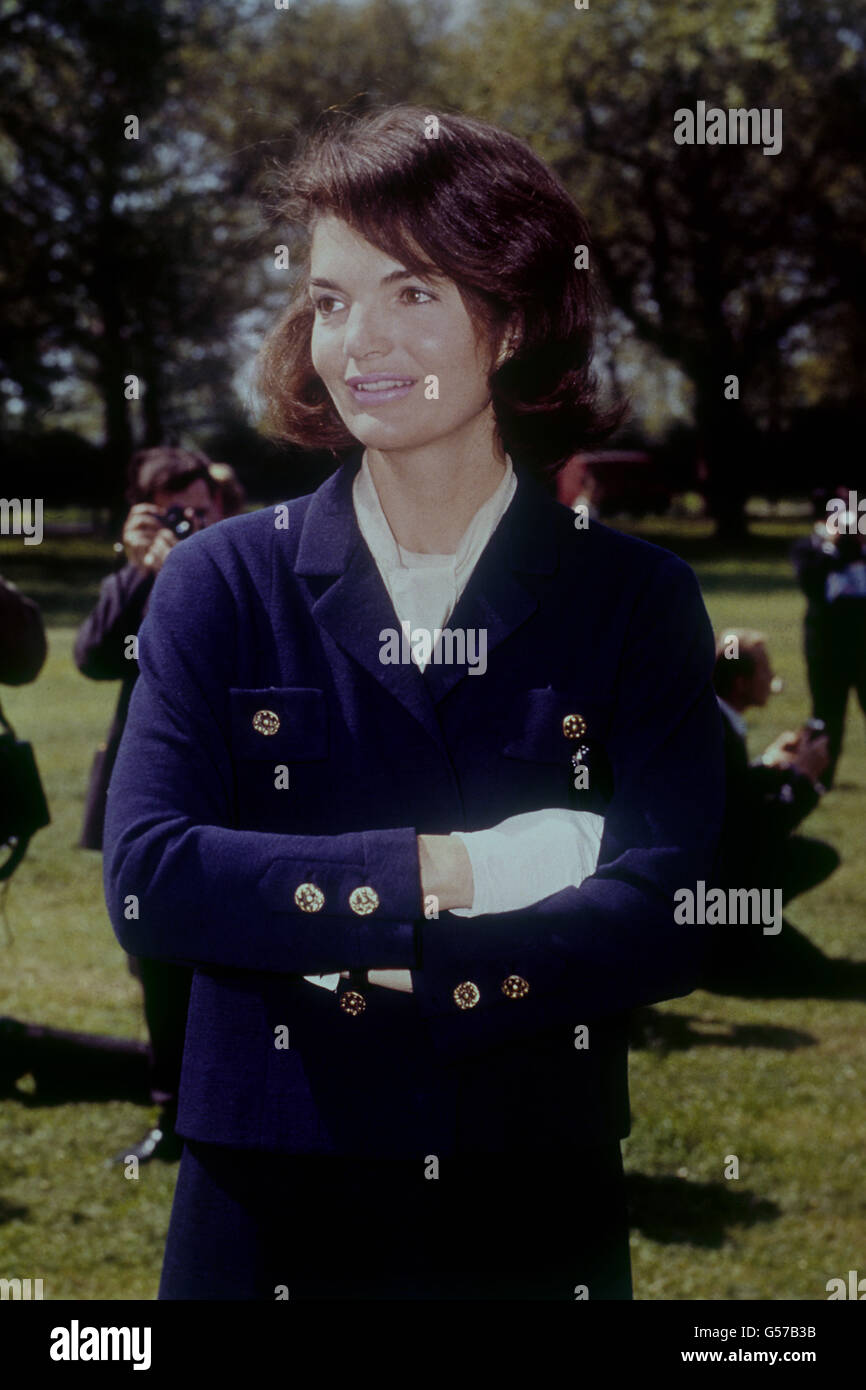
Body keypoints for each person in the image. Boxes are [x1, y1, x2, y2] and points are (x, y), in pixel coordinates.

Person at [103, 105, 725, 1301]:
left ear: (512, 319)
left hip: (529, 1188)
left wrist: (404, 965)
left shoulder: (634, 597)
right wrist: (450, 872)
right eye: (331, 301)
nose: (358, 342)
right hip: (262, 1190)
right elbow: (149, 878)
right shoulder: (220, 583)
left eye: (413, 293)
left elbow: (673, 908)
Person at [76, 447, 222, 1163]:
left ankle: (232, 1110)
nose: (189, 522)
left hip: (229, 799)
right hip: (148, 794)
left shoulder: (243, 567)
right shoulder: (136, 575)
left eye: (200, 508)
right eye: (173, 512)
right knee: (154, 965)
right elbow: (95, 656)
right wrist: (139, 571)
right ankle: (172, 1116)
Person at [698, 630, 866, 1000]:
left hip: (705, 882)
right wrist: (802, 778)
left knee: (815, 857)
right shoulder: (720, 734)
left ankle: (742, 936)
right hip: (718, 890)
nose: (772, 680)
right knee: (825, 977)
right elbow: (759, 831)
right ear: (741, 683)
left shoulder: (714, 722)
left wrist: (770, 765)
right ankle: (735, 939)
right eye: (764, 672)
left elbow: (732, 791)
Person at [792, 484, 866, 787]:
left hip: (863, 645)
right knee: (827, 713)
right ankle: (821, 774)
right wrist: (833, 545)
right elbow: (812, 585)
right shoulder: (808, 549)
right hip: (827, 648)